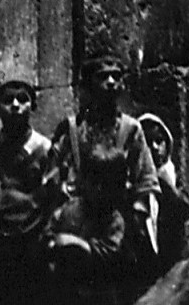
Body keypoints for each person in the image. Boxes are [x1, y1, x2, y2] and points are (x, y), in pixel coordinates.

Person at [46, 56, 159, 261]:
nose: (111, 82)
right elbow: (52, 175)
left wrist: (137, 216)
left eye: (116, 76)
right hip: (77, 213)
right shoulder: (72, 129)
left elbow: (146, 179)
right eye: (103, 77)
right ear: (89, 84)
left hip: (117, 217)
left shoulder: (131, 129)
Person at [0, 80, 51, 303]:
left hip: (31, 244)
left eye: (23, 100)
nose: (15, 105)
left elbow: (48, 199)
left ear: (32, 106)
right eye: (7, 101)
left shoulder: (45, 149)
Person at [43, 147, 131, 305]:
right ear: (83, 179)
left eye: (106, 184)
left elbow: (109, 254)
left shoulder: (114, 221)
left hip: (97, 294)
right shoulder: (69, 208)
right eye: (94, 181)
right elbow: (49, 232)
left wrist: (77, 244)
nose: (98, 189)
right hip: (64, 290)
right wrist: (51, 243)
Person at [137, 114, 189, 272]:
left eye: (159, 141)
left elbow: (185, 210)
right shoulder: (134, 179)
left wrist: (165, 184)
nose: (154, 147)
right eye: (147, 142)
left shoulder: (174, 178)